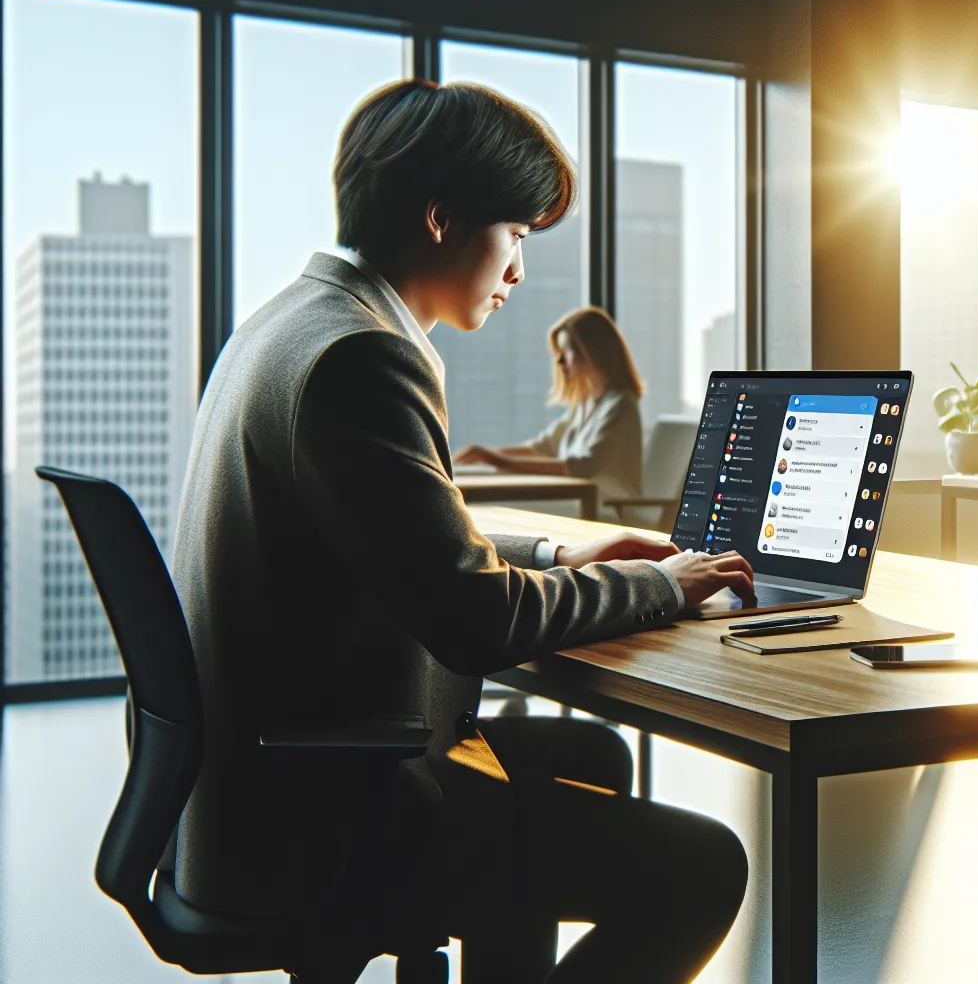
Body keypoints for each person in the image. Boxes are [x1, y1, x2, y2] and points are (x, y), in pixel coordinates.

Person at [171, 79, 755, 983]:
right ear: (443, 219)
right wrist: (662, 586)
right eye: (516, 235)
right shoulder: (364, 353)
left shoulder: (291, 322)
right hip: (317, 815)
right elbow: (474, 619)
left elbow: (395, 537)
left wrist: (562, 552)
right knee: (704, 865)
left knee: (591, 752)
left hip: (253, 783)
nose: (520, 271)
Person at [455, 307, 649, 506]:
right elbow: (543, 447)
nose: (559, 360)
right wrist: (485, 454)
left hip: (607, 506)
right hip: (580, 499)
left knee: (508, 506)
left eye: (567, 351)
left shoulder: (620, 404)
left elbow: (585, 467)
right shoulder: (585, 404)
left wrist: (497, 461)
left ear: (593, 352)